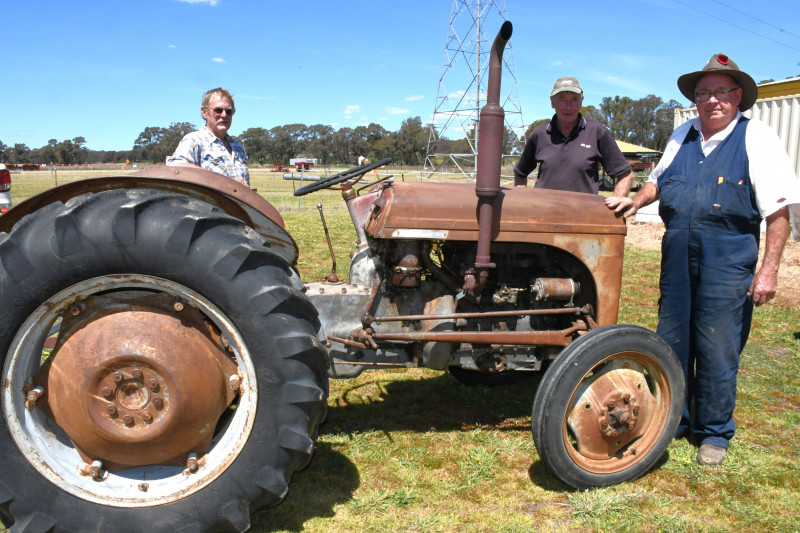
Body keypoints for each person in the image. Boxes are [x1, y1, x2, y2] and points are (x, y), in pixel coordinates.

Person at [608, 54, 800, 466]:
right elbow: (657, 181)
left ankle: (714, 431)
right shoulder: (683, 135)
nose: (712, 100)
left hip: (727, 258)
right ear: (695, 99)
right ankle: (672, 419)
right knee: (672, 340)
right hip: (677, 254)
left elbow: (778, 213)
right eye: (703, 93)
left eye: (721, 91)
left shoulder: (756, 137)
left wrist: (768, 272)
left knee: (717, 345)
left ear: (738, 96)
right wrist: (635, 200)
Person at [513, 76, 635, 206]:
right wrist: (524, 202)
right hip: (543, 213)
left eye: (574, 99)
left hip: (583, 214)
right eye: (562, 99)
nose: (568, 106)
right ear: (552, 102)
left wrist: (616, 202)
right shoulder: (540, 133)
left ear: (581, 101)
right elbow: (520, 172)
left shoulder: (597, 132)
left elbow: (626, 174)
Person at [166, 87, 250, 186]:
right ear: (204, 112)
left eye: (229, 111)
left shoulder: (237, 146)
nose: (224, 115)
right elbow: (176, 167)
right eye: (218, 110)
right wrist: (225, 182)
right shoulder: (194, 140)